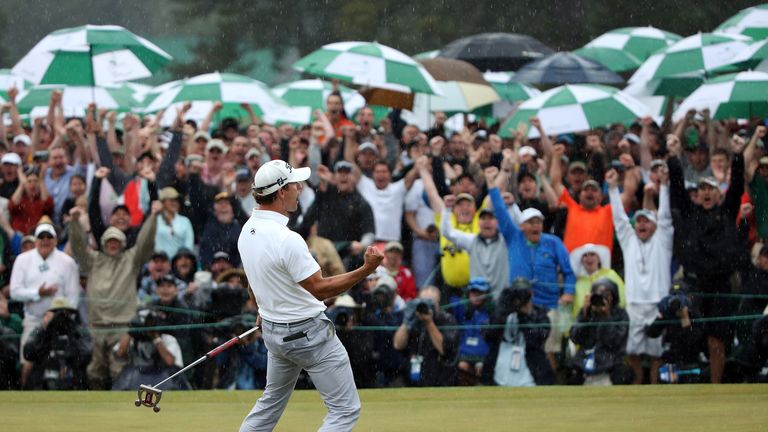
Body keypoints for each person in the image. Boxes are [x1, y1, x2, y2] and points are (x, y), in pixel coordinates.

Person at [238, 159, 384, 432]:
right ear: (281, 191)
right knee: (345, 410)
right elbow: (319, 288)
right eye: (294, 184)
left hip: (274, 331)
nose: (300, 188)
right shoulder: (287, 239)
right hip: (309, 334)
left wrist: (264, 308)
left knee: (270, 404)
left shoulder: (247, 230)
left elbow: (255, 280)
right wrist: (366, 269)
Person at [668, 134, 747, 383]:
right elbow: (678, 188)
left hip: (721, 284)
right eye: (702, 188)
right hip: (695, 283)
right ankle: (689, 381)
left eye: (710, 188)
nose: (706, 193)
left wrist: (737, 156)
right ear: (697, 194)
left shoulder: (726, 212)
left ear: (717, 193)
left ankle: (715, 385)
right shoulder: (691, 215)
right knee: (690, 333)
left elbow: (736, 187)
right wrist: (673, 157)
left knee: (717, 338)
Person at [486, 166, 575, 371]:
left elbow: (568, 271)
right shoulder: (513, 236)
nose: (536, 226)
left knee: (547, 350)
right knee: (518, 347)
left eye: (539, 222)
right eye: (531, 222)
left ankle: (548, 386)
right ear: (522, 225)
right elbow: (499, 208)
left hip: (548, 305)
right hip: (519, 306)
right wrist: (492, 185)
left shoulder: (553, 242)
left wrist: (568, 292)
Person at [69, 203, 159, 389]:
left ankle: (121, 409)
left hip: (121, 326)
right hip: (96, 326)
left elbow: (146, 242)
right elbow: (78, 246)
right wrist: (75, 222)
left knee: (119, 368)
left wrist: (153, 218)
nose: (112, 244)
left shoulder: (131, 260)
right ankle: (98, 410)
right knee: (95, 370)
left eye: (116, 241)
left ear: (123, 243)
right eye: (109, 241)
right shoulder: (93, 261)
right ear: (103, 243)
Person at [607, 166, 673, 384]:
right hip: (634, 303)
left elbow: (665, 217)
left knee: (655, 352)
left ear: (654, 226)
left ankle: (653, 385)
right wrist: (612, 188)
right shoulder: (629, 241)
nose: (641, 224)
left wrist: (663, 187)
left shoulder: (662, 241)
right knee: (632, 349)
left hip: (657, 304)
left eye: (646, 221)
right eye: (639, 221)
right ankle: (637, 383)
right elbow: (618, 219)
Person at [10, 223, 80, 388]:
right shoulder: (22, 260)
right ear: (36, 240)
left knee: (63, 362)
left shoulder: (67, 262)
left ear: (56, 240)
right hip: (33, 320)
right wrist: (37, 293)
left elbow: (73, 296)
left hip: (61, 323)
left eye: (49, 237)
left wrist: (60, 316)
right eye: (41, 237)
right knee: (27, 362)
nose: (45, 241)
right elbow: (14, 291)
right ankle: (24, 394)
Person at [483, 278, 554, 386]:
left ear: (532, 294)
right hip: (500, 371)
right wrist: (503, 306)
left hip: (530, 373)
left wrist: (525, 316)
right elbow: (488, 334)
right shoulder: (503, 313)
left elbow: (537, 340)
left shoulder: (540, 315)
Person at [568, 279, 631, 386]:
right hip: (585, 361)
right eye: (597, 294)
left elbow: (615, 342)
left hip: (611, 362)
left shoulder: (620, 314)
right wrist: (585, 315)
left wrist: (606, 317)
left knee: (623, 374)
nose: (602, 298)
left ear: (613, 296)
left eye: (607, 294)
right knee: (571, 373)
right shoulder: (586, 313)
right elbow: (575, 338)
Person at [393, 285, 459, 387]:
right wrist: (407, 322)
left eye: (430, 302)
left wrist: (429, 322)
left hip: (440, 379)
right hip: (413, 380)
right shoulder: (414, 320)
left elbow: (444, 349)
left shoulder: (447, 319)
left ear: (438, 304)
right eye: (422, 301)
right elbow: (398, 344)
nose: (425, 305)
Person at [22, 297, 91, 390]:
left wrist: (73, 332)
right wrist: (44, 329)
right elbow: (28, 354)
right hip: (44, 383)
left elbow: (86, 355)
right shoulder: (43, 332)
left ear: (70, 314)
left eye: (65, 313)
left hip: (73, 383)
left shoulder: (79, 331)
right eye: (57, 313)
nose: (61, 317)